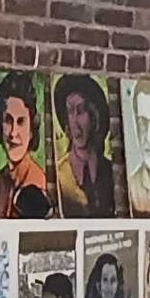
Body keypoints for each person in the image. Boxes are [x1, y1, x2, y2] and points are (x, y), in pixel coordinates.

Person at [53, 73, 125, 219]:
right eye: (69, 112)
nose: (74, 121)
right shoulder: (60, 175)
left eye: (80, 111)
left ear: (94, 116)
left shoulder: (109, 172)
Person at [0, 76, 54, 220]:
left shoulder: (37, 182)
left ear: (31, 130)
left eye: (21, 121)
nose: (13, 133)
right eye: (8, 121)